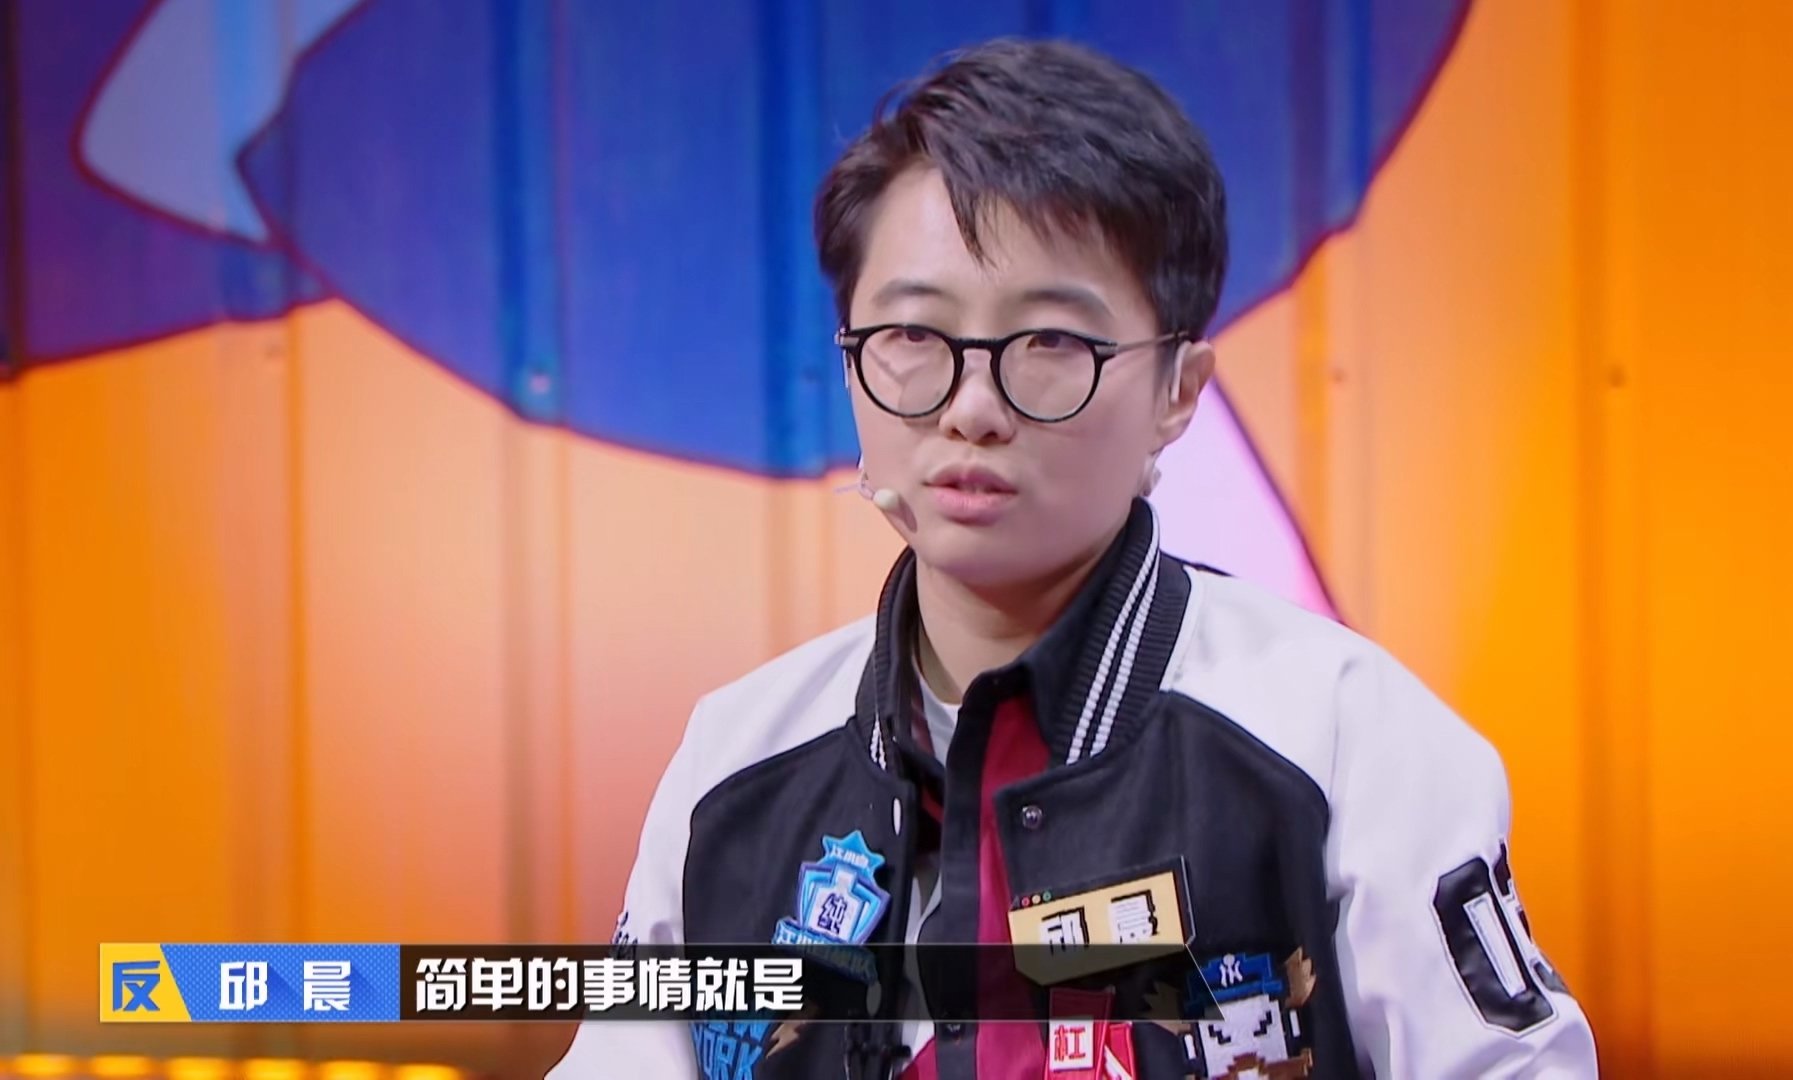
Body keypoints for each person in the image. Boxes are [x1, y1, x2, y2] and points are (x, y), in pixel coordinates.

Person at [548, 37, 1597, 1080]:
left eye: (1051, 343)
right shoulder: (732, 761)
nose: (972, 408)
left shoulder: (1348, 743)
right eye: (912, 336)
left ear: (1179, 390)